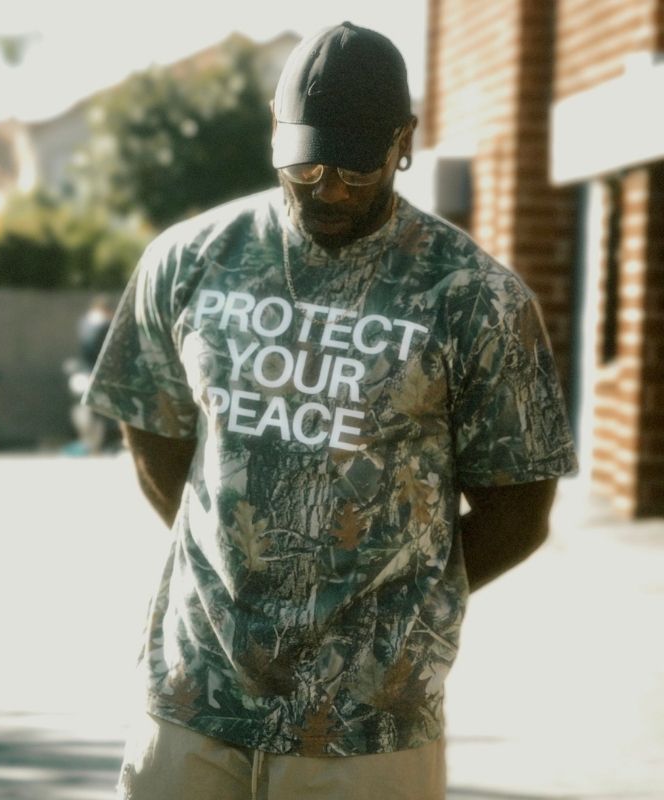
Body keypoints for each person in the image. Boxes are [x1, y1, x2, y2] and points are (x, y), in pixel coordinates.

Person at [84, 21, 578, 800]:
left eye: (354, 165)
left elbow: (519, 510)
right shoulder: (188, 261)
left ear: (402, 142)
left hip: (366, 726)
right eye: (305, 164)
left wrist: (395, 606)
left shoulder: (477, 298)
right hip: (193, 698)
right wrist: (240, 565)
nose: (331, 188)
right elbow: (153, 424)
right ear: (276, 138)